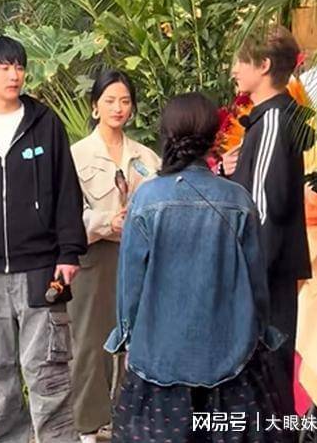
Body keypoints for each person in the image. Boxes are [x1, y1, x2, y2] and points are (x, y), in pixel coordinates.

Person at [107, 92, 283, 443]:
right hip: (232, 359)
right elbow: (256, 283)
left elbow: (130, 284)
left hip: (159, 361)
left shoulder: (146, 199)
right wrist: (262, 333)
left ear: (166, 134)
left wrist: (126, 338)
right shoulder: (237, 199)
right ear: (215, 137)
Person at [0, 35, 87, 443]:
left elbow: (66, 190)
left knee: (48, 374)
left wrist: (69, 251)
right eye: (4, 67)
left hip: (42, 270)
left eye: (19, 66)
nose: (14, 75)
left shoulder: (45, 124)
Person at [69, 69, 160, 443]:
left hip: (139, 257)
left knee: (136, 340)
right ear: (95, 107)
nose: (118, 108)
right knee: (90, 343)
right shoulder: (76, 156)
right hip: (94, 257)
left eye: (124, 101)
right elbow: (67, 216)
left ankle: (128, 420)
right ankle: (88, 426)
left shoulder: (146, 157)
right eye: (109, 100)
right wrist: (107, 221)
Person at [230, 25, 313, 416]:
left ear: (263, 65)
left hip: (263, 277)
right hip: (272, 274)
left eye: (240, 60)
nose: (234, 69)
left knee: (265, 378)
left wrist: (248, 277)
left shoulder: (274, 121)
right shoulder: (277, 118)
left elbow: (264, 206)